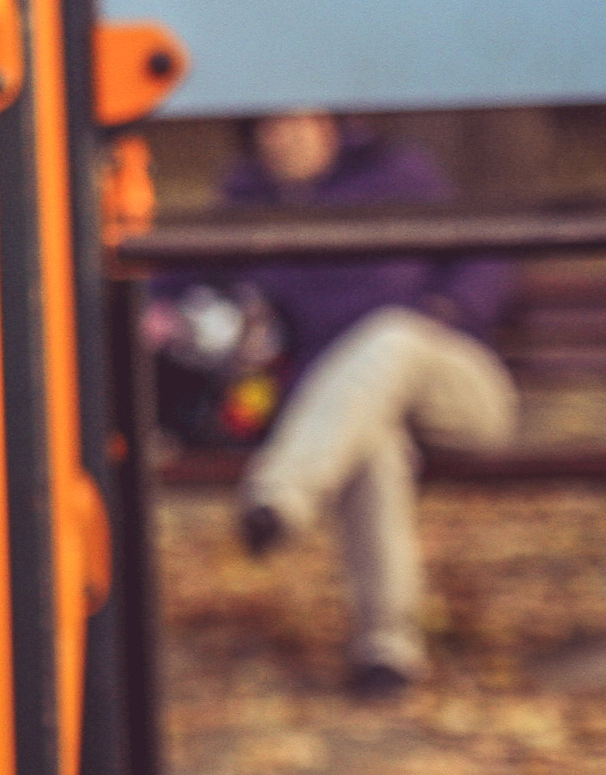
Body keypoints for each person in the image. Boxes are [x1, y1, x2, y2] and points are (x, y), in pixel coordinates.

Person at [214, 107, 519, 695]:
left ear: (333, 126)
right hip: (348, 415)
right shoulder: (245, 207)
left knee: (391, 335)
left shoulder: (400, 176)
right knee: (373, 443)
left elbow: (485, 252)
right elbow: (181, 294)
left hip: (455, 387)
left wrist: (450, 311)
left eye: (302, 122)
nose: (288, 137)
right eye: (271, 127)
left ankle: (278, 496)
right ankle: (387, 650)